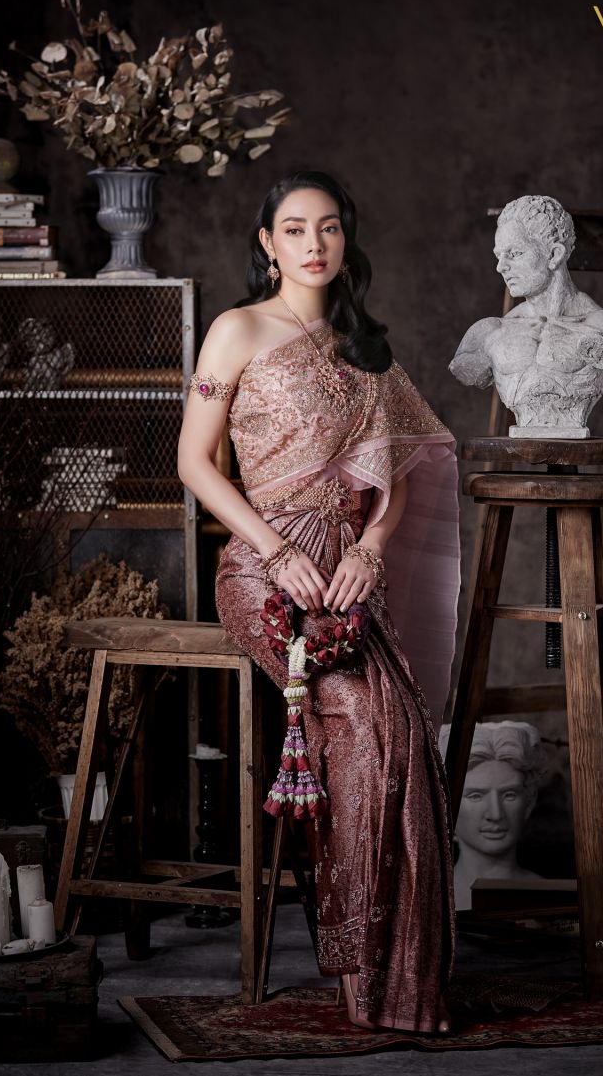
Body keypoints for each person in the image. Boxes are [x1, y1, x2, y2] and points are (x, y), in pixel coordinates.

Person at [178, 169, 460, 1033]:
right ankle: (362, 974)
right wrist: (275, 551)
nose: (313, 243)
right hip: (265, 568)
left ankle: (406, 985)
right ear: (268, 244)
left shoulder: (362, 345)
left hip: (346, 572)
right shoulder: (236, 331)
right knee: (359, 720)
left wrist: (372, 548)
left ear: (346, 239)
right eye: (295, 229)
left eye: (329, 227)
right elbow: (193, 463)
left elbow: (397, 474)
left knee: (404, 730)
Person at [449, 195, 603, 436]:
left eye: (515, 253)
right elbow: (466, 367)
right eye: (499, 256)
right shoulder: (489, 331)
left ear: (554, 255)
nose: (500, 267)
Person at [440, 721, 547, 908]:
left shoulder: (548, 898)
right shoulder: (426, 901)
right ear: (446, 806)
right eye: (475, 796)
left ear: (529, 802)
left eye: (509, 795)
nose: (495, 814)